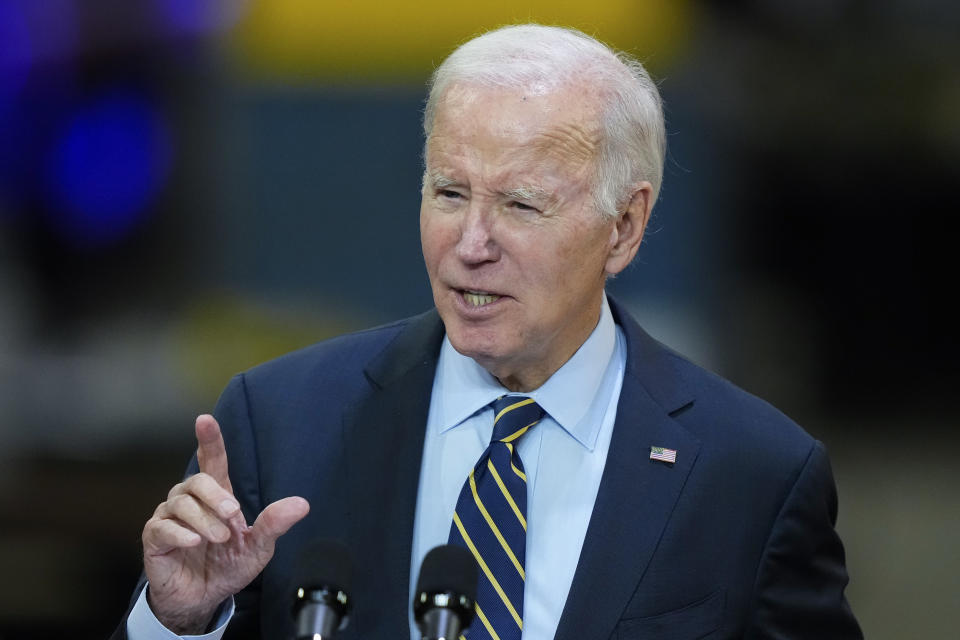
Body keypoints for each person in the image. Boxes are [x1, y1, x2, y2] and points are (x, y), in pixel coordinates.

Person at [113, 24, 861, 640]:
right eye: (449, 192)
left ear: (625, 228)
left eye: (521, 205)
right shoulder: (278, 425)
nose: (471, 242)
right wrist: (181, 620)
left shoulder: (752, 477)